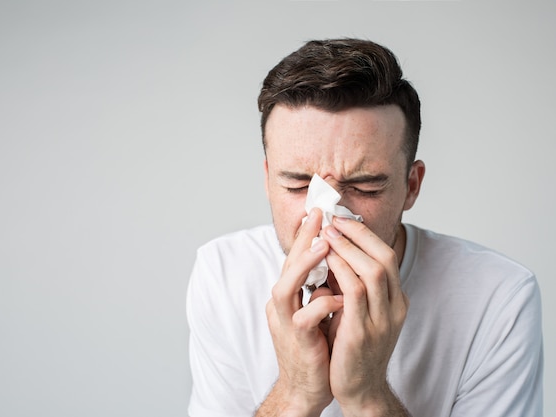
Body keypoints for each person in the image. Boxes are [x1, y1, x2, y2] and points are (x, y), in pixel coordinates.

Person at [186, 38, 543, 417]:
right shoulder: (223, 273)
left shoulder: (498, 297)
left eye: (365, 186)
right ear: (268, 181)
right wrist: (296, 395)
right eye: (296, 185)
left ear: (411, 186)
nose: (325, 215)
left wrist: (368, 396)